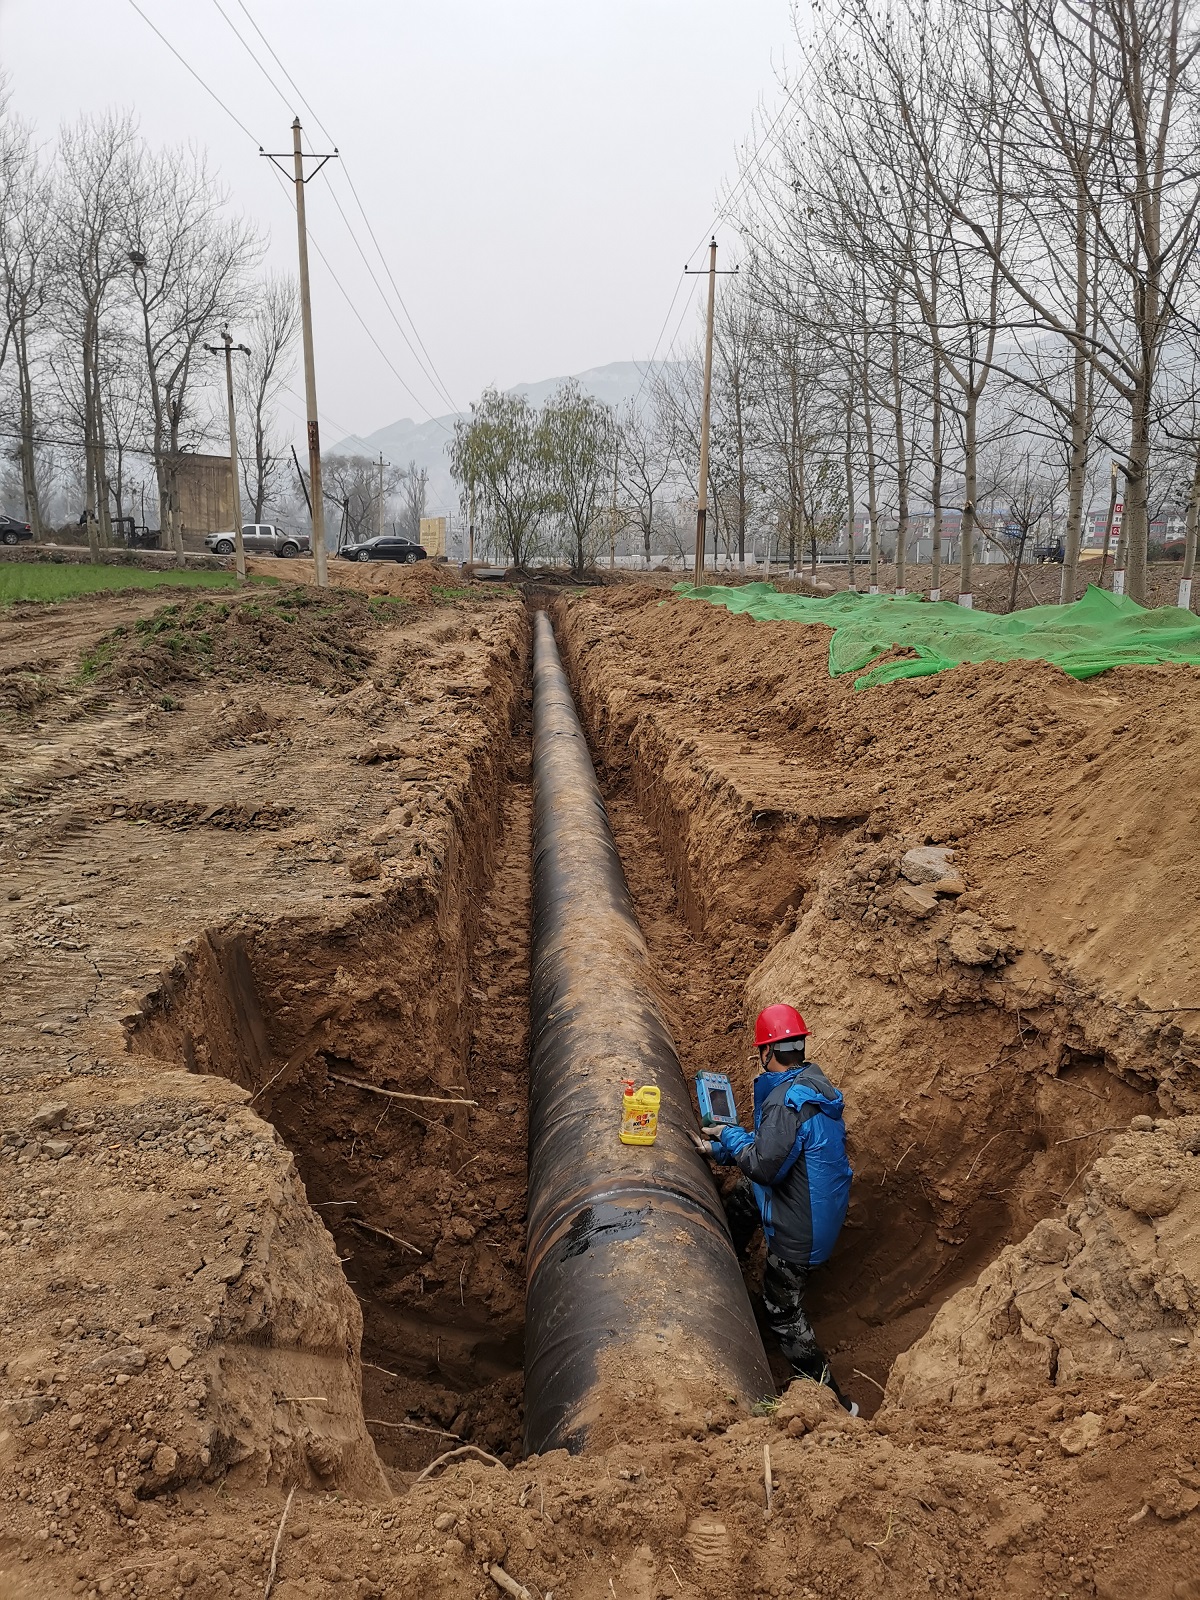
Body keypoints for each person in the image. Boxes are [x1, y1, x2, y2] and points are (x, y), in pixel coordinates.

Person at [693, 1002, 855, 1410]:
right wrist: (721, 1148)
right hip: (819, 1208)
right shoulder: (810, 1086)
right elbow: (775, 1150)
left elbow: (765, 1167)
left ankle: (834, 1403)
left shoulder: (785, 1102)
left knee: (781, 1309)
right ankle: (727, 1262)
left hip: (802, 1231)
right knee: (745, 1197)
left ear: (767, 1051)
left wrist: (727, 1135)